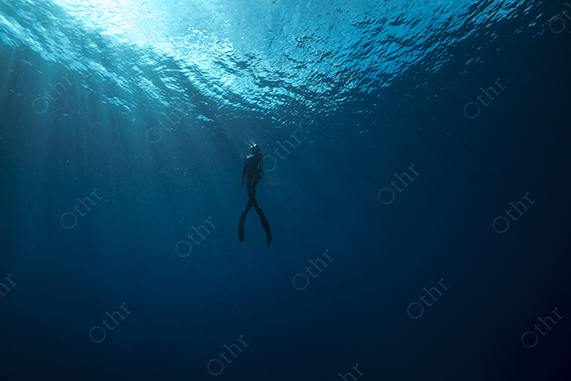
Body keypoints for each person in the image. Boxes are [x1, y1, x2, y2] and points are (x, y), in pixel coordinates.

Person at [239, 144, 271, 246]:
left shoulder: (259, 155)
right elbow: (245, 168)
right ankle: (257, 208)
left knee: (252, 191)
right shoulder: (247, 157)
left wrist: (261, 172)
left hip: (255, 174)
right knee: (250, 194)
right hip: (249, 176)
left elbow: (261, 165)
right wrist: (242, 178)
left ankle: (252, 207)